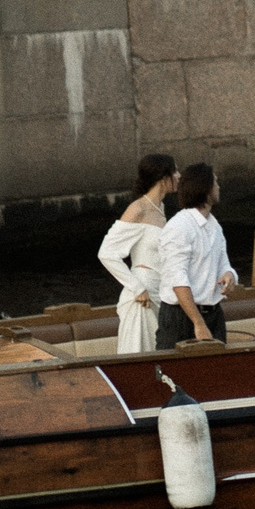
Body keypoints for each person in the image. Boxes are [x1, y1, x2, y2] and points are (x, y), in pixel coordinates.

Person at [98, 153, 177, 357]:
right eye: (175, 172)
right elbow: (106, 252)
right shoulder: (138, 209)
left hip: (160, 292)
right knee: (140, 355)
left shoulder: (161, 208)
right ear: (163, 178)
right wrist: (137, 287)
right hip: (142, 297)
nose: (178, 176)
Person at [154, 162, 236, 350]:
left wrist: (229, 275)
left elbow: (224, 264)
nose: (218, 187)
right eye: (215, 182)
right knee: (175, 367)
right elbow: (178, 280)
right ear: (205, 188)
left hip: (213, 313)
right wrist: (198, 323)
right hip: (180, 317)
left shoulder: (214, 225)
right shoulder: (179, 226)